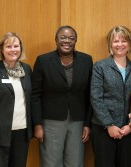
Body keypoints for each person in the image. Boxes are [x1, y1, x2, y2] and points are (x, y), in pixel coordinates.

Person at [32, 25, 93, 167]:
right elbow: (35, 95)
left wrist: (87, 124)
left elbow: (90, 94)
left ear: (76, 40)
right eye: (63, 37)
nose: (67, 41)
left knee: (75, 162)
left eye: (71, 38)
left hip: (77, 121)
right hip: (51, 121)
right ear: (56, 40)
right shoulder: (43, 60)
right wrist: (37, 124)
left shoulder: (86, 60)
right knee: (51, 163)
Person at [90, 25, 131, 167]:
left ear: (130, 43)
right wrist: (109, 125)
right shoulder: (100, 67)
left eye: (124, 41)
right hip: (103, 129)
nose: (120, 45)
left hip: (129, 130)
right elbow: (96, 98)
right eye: (116, 41)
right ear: (110, 44)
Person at [0, 32, 32, 167]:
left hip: (22, 132)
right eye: (9, 46)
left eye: (16, 46)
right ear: (2, 49)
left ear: (21, 48)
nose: (13, 50)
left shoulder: (26, 69)